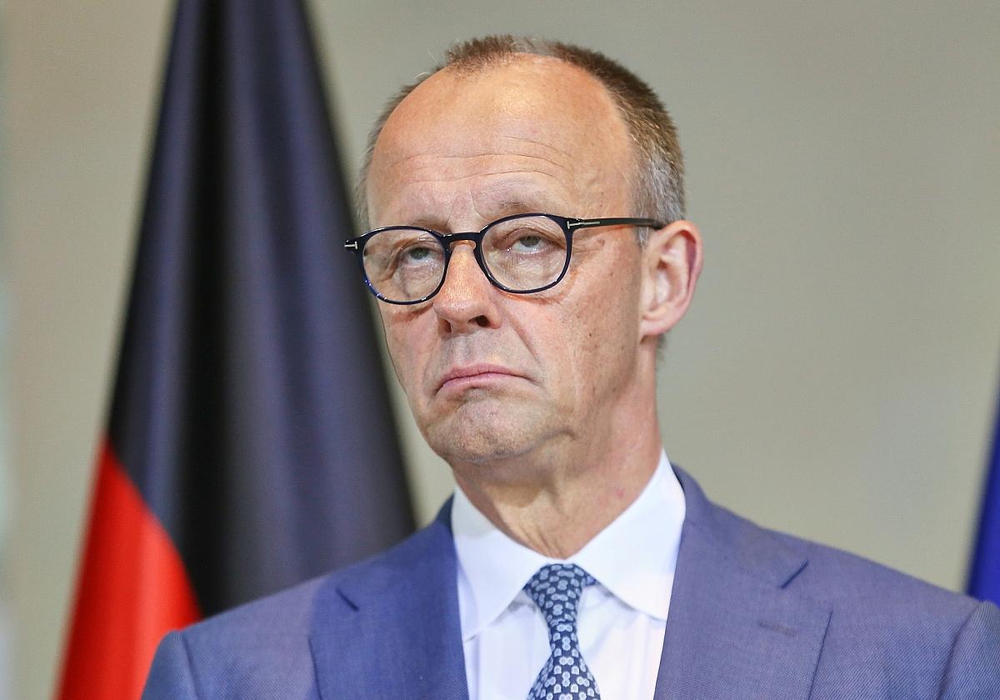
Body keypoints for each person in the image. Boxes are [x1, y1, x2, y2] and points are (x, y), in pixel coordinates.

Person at [143, 35, 1000, 699]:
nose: (457, 301)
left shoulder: (923, 661)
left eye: (526, 241)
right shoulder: (228, 679)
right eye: (413, 253)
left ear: (663, 280)